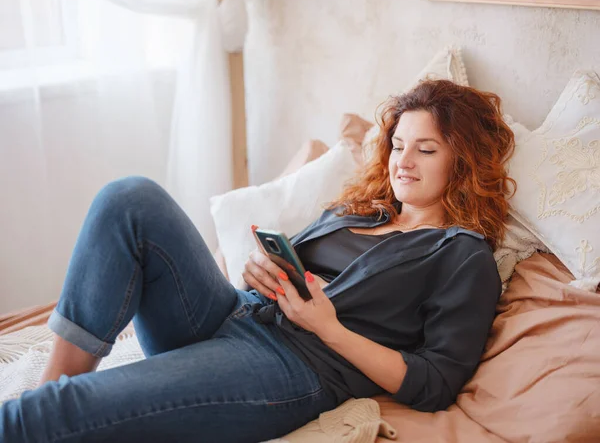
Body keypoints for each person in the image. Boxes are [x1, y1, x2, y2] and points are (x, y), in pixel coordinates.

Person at [0, 79, 515, 443]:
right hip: (236, 314)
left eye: (425, 150)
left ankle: (46, 411)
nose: (403, 161)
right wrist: (258, 269)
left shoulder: (461, 255)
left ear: (463, 162)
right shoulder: (361, 211)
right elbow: (289, 265)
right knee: (130, 198)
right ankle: (56, 381)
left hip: (290, 366)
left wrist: (330, 329)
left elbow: (436, 384)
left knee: (51, 415)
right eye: (398, 144)